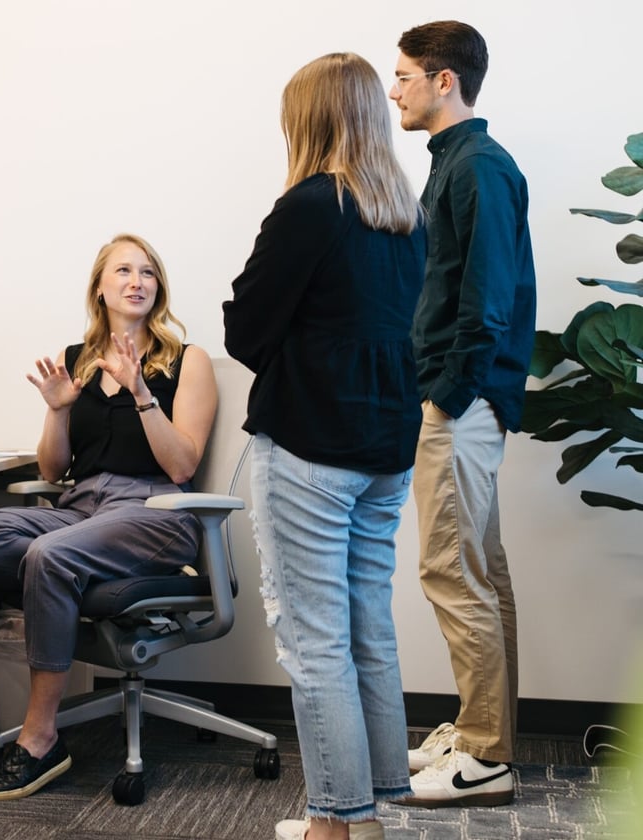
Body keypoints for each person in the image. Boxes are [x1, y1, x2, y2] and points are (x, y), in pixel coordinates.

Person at [223, 52, 427, 840]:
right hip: (385, 448)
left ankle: (332, 823)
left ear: (307, 121)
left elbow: (246, 328)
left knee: (314, 642)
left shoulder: (311, 204)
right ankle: (369, 809)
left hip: (311, 446)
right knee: (366, 626)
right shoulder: (406, 217)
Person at [0, 233, 217, 801]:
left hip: (155, 510)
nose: (137, 281)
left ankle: (40, 738)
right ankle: (65, 574)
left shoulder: (186, 360)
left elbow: (182, 466)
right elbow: (54, 470)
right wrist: (57, 412)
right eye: (123, 270)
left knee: (49, 556)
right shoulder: (77, 360)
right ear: (100, 287)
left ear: (159, 286)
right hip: (81, 509)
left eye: (148, 272)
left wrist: (142, 393)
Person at [389, 21, 537, 807]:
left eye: (405, 75)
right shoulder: (457, 162)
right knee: (480, 570)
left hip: (462, 402)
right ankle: (488, 734)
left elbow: (487, 296)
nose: (394, 91)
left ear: (444, 80)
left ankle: (484, 755)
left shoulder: (477, 166)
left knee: (451, 569)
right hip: (468, 399)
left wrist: (448, 395)